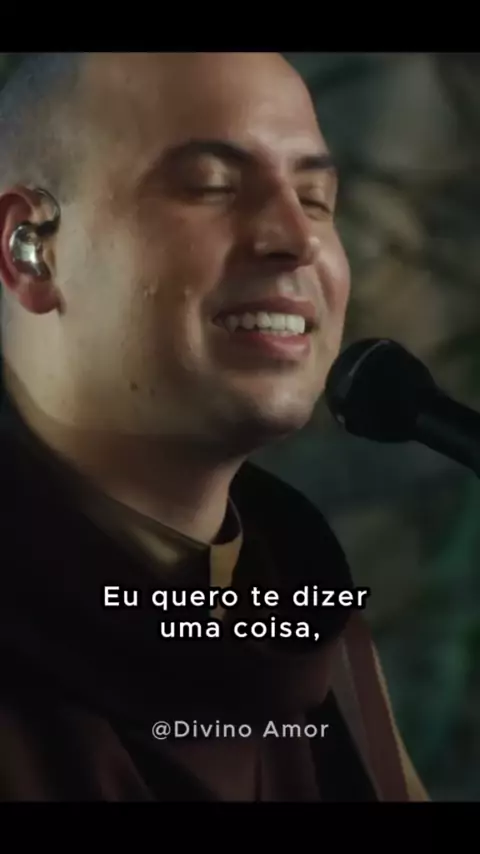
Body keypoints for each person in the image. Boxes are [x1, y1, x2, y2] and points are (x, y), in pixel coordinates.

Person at [0, 51, 428, 801]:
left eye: (316, 199)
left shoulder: (302, 608)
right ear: (29, 250)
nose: (296, 239)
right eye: (211, 186)